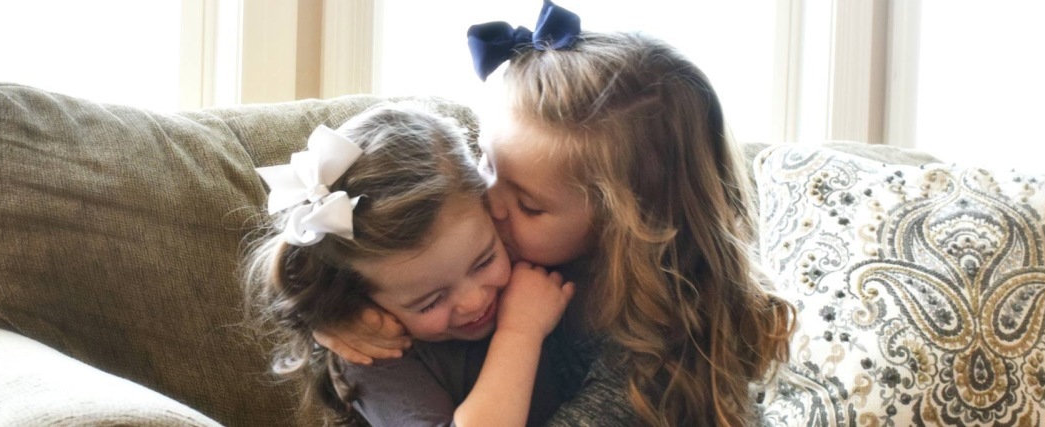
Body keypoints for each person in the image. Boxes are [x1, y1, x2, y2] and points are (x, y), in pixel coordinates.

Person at [318, 1, 798, 425]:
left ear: (627, 227)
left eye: (528, 205)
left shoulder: (657, 343)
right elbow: (362, 215)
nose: (491, 203)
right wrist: (333, 311)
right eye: (486, 164)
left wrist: (519, 331)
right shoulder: (501, 254)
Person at [242, 103, 577, 426]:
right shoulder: (376, 354)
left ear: (489, 208)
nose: (473, 301)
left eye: (484, 261)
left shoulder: (532, 257)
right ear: (363, 300)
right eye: (430, 301)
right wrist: (520, 332)